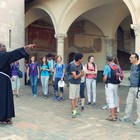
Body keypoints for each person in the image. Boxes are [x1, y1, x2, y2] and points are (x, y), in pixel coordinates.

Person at [0, 43, 35, 124]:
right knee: (4, 98)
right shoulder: (3, 55)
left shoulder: (4, 55)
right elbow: (14, 53)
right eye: (3, 47)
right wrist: (25, 47)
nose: (4, 48)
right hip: (4, 80)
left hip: (4, 79)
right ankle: (4, 117)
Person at [120, 53, 140, 126]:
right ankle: (127, 117)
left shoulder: (139, 66)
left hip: (138, 88)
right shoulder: (132, 66)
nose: (130, 58)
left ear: (136, 59)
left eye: (131, 57)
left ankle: (139, 119)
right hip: (131, 87)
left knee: (139, 104)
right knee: (128, 102)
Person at [103, 54, 120, 121]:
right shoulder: (117, 66)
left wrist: (104, 81)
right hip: (116, 84)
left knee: (110, 100)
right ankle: (115, 115)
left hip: (109, 84)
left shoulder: (107, 66)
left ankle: (112, 116)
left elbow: (105, 77)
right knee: (115, 99)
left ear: (107, 59)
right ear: (113, 59)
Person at [69, 53, 84, 118]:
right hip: (73, 83)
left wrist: (80, 75)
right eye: (82, 58)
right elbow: (75, 77)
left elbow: (82, 73)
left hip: (78, 82)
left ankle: (75, 110)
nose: (82, 59)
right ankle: (73, 111)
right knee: (72, 97)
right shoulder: (72, 66)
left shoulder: (80, 65)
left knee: (76, 97)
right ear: (79, 59)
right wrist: (80, 75)